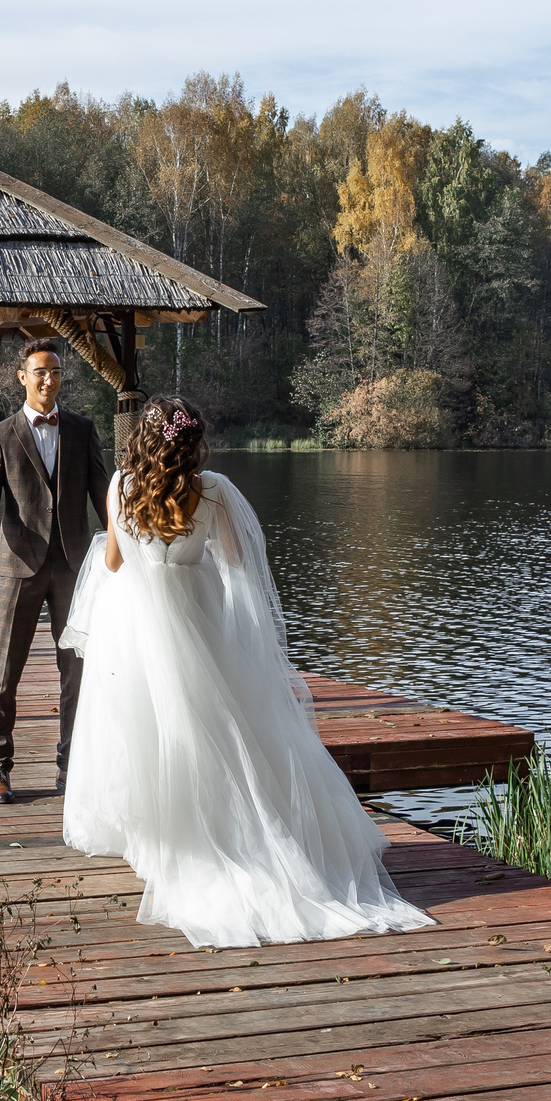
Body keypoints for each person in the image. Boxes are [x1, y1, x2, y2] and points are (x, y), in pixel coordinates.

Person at [59, 396, 435, 948]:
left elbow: (113, 562)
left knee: (143, 723)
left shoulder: (119, 486)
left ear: (144, 438)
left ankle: (162, 835)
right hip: (195, 611)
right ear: (191, 440)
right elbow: (239, 564)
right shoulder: (212, 489)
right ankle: (223, 830)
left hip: (133, 619)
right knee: (212, 724)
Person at [0, 339, 107, 805]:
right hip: (17, 567)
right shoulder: (2, 435)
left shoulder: (83, 430)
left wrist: (126, 549)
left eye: (55, 371)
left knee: (77, 670)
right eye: (39, 372)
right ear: (23, 378)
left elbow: (103, 498)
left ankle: (71, 765)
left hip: (73, 566)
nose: (49, 379)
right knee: (6, 669)